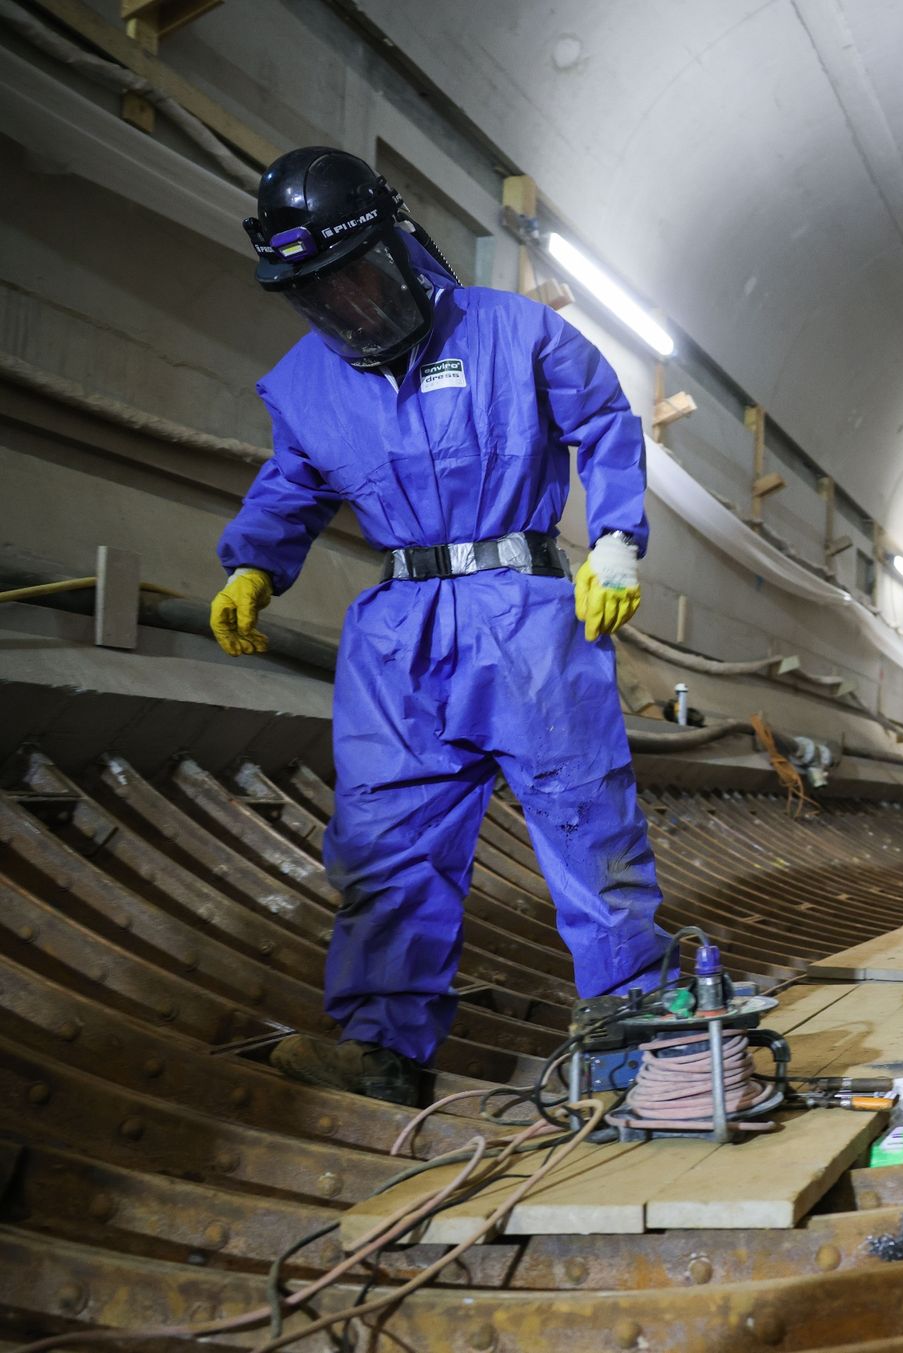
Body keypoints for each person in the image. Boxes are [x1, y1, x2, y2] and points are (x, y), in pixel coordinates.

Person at [209, 146, 667, 1105]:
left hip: (526, 612)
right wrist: (254, 563)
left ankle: (635, 1032)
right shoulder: (306, 383)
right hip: (400, 630)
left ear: (400, 244)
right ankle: (384, 1049)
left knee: (585, 820)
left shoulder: (514, 331)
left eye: (360, 279)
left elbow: (606, 423)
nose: (350, 309)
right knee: (386, 838)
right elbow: (292, 479)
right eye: (320, 295)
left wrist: (617, 538)